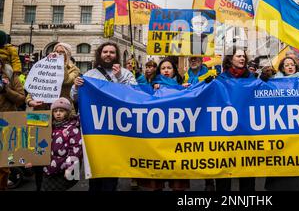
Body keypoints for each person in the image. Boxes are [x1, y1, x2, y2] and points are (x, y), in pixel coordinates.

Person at [71, 42, 137, 191]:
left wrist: (119, 77)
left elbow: (134, 94)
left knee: (111, 169)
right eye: (105, 52)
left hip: (117, 128)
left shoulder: (126, 73)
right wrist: (76, 87)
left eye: (112, 52)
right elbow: (75, 98)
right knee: (95, 166)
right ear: (100, 54)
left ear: (116, 56)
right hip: (95, 128)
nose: (108, 54)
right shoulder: (89, 74)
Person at [264, 56, 299, 191]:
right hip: (281, 128)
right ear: (282, 68)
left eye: (292, 64)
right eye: (286, 65)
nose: (290, 67)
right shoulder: (274, 82)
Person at [138, 58, 189, 191]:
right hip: (158, 135)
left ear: (174, 70)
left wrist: (185, 90)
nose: (166, 70)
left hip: (177, 134)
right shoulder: (153, 86)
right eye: (163, 68)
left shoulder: (183, 86)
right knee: (157, 177)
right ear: (159, 71)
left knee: (177, 180)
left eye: (169, 68)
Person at [215, 48, 256, 191]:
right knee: (224, 171)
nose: (242, 58)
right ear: (230, 59)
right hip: (226, 132)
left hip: (246, 131)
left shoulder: (252, 78)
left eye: (243, 56)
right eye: (238, 56)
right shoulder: (220, 79)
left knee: (247, 171)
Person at [25, 98, 83, 191]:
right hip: (49, 169)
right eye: (55, 111)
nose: (58, 113)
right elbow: (40, 144)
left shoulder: (72, 129)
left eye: (61, 111)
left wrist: (70, 167)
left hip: (63, 169)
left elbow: (75, 150)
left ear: (67, 112)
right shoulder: (49, 127)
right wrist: (33, 159)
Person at [182, 56, 216, 191]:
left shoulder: (211, 74)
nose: (193, 61)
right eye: (191, 59)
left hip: (205, 115)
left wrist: (211, 83)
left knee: (206, 150)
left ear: (202, 62)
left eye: (196, 59)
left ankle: (209, 181)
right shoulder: (184, 76)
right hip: (190, 115)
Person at [27, 43, 80, 112]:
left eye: (62, 52)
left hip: (63, 109)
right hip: (43, 107)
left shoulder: (74, 70)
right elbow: (36, 84)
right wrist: (29, 101)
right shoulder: (46, 67)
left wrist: (60, 64)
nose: (58, 54)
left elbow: (66, 81)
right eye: (56, 51)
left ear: (67, 54)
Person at [0, 58, 26, 190]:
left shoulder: (11, 76)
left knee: (4, 164)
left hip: (6, 122)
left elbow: (21, 99)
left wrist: (6, 90)